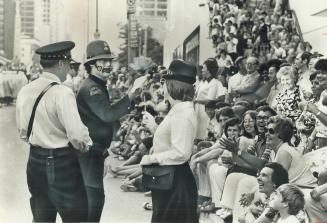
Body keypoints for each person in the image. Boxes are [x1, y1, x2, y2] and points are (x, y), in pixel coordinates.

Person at [16, 41, 92, 222]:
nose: (68, 69)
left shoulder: (25, 91)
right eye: (67, 64)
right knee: (76, 217)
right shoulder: (62, 93)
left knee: (41, 217)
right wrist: (86, 146)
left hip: (35, 161)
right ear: (60, 64)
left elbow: (22, 132)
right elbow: (77, 136)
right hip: (62, 163)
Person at [76, 40, 142, 222]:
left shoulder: (97, 84)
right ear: (90, 64)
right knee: (93, 198)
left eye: (109, 61)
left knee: (93, 198)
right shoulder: (92, 88)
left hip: (94, 152)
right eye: (102, 61)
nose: (107, 65)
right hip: (89, 152)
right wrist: (129, 96)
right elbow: (106, 114)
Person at [140, 59, 199, 223]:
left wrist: (151, 158)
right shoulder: (178, 111)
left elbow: (181, 153)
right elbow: (172, 143)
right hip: (170, 180)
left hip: (176, 183)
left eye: (164, 82)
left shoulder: (183, 114)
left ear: (173, 85)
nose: (162, 86)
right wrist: (154, 130)